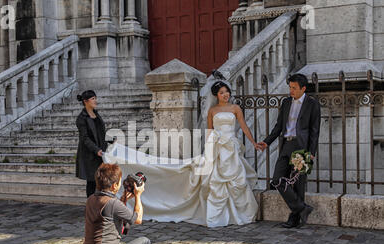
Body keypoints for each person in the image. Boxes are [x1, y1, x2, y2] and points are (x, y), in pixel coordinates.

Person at [102, 80, 259, 228]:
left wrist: (254, 143)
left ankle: (239, 214)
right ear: (216, 96)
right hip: (217, 148)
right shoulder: (213, 110)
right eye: (221, 93)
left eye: (226, 92)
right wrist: (208, 150)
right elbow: (210, 131)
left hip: (231, 148)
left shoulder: (235, 108)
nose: (225, 95)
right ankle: (219, 216)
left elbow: (244, 127)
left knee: (237, 181)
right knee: (216, 182)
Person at [83, 163, 159, 244]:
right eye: (119, 182)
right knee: (144, 243)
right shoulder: (112, 203)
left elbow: (113, 217)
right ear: (114, 186)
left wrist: (123, 199)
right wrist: (138, 195)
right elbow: (138, 219)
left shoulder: (91, 199)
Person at [257, 74, 321, 228]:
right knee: (277, 179)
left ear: (303, 88)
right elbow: (278, 127)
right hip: (286, 145)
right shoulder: (286, 103)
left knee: (298, 184)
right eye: (290, 87)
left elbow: (315, 131)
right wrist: (266, 142)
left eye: (294, 88)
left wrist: (312, 152)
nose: (291, 91)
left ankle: (294, 219)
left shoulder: (312, 104)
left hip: (302, 147)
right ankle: (302, 208)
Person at [76, 90, 108, 198]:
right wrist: (96, 150)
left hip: (100, 153)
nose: (95, 101)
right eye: (93, 99)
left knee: (101, 181)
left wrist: (109, 141)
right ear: (85, 101)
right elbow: (85, 138)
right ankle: (91, 206)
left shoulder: (96, 114)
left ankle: (99, 204)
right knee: (92, 182)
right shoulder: (81, 118)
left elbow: (100, 132)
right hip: (90, 155)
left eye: (95, 98)